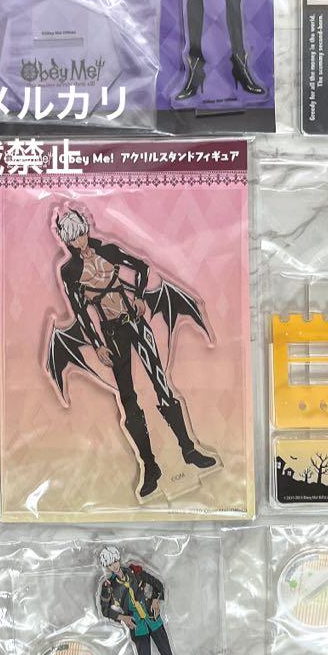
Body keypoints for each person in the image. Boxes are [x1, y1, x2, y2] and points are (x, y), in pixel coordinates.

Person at [53, 209, 216, 499]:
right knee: (128, 399)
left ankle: (189, 450)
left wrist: (140, 296)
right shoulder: (70, 272)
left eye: (81, 232)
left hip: (137, 324)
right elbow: (80, 311)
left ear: (86, 229)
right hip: (112, 334)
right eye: (74, 237)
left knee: (162, 385)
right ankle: (150, 467)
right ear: (67, 241)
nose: (80, 240)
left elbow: (141, 267)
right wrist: (97, 344)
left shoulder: (108, 250)